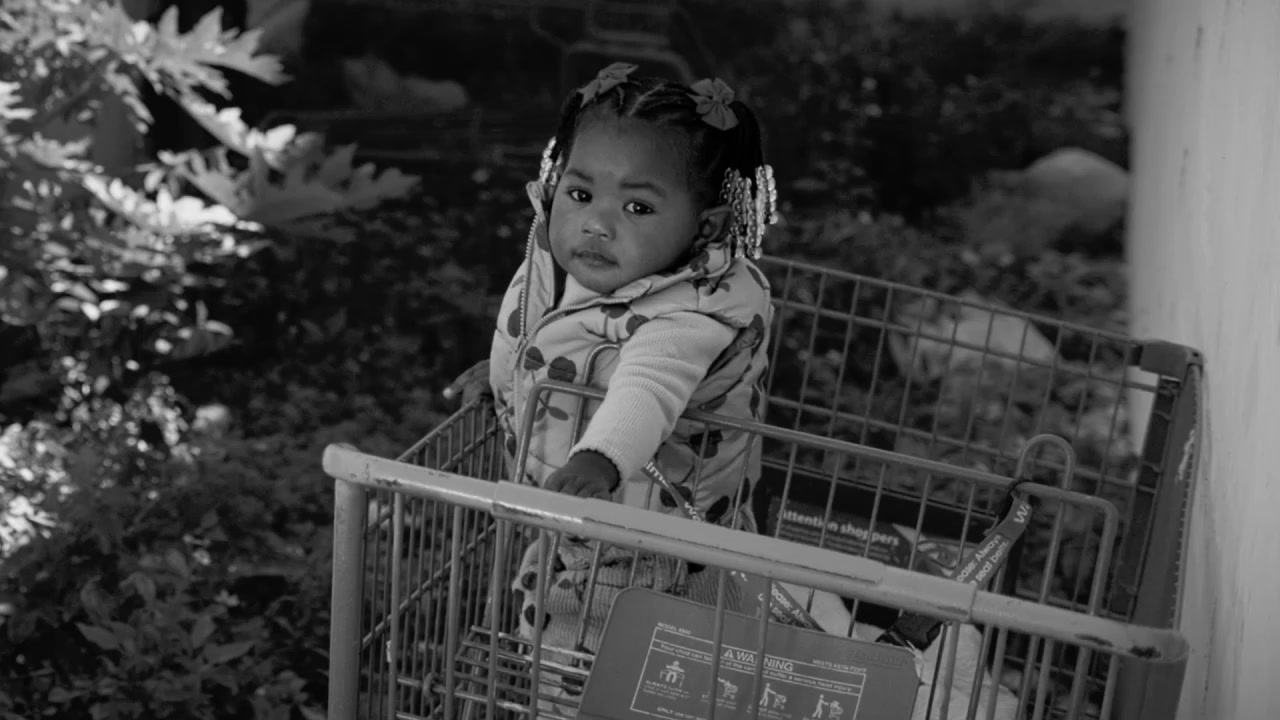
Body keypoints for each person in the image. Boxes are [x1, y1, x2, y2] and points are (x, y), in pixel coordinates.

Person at [445, 61, 778, 713]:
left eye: (637, 207)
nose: (597, 223)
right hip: (606, 516)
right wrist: (508, 376)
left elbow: (646, 387)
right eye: (580, 194)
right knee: (616, 657)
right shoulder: (604, 266)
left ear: (706, 228)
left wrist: (599, 459)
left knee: (584, 673)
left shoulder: (686, 316)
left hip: (639, 541)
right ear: (554, 181)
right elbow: (561, 335)